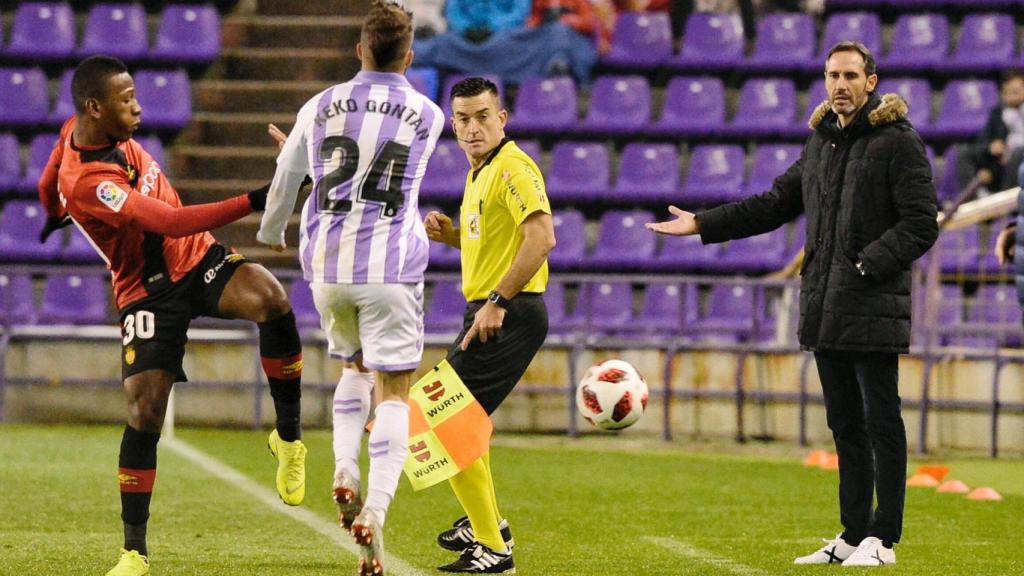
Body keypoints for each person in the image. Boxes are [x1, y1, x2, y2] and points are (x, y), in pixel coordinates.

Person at [647, 41, 938, 567]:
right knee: (844, 424)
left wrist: (870, 263)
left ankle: (883, 539)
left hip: (872, 303)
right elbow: (774, 204)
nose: (840, 85)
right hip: (825, 305)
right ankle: (852, 535)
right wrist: (702, 223)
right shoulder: (821, 145)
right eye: (832, 75)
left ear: (871, 82)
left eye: (851, 75)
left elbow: (921, 222)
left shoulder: (899, 142)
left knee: (881, 422)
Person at [37, 56, 307, 576]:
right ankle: (134, 552)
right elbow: (170, 220)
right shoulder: (93, 180)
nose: (138, 106)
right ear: (96, 107)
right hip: (147, 292)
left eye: (135, 93)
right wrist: (263, 196)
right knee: (144, 414)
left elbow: (49, 176)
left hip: (197, 258)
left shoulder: (75, 128)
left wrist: (51, 210)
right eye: (126, 99)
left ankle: (289, 439)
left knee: (272, 299)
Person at [256, 3, 443, 575]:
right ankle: (377, 512)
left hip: (328, 269)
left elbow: (289, 174)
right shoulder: (429, 114)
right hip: (390, 268)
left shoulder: (319, 106)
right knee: (395, 388)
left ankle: (344, 469)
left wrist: (271, 231)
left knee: (353, 370)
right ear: (408, 56)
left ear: (359, 49)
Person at [423, 77, 555, 574]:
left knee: (442, 418)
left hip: (508, 312)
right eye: (463, 118)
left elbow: (541, 238)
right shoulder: (480, 172)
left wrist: (499, 300)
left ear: (502, 119)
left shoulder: (513, 167)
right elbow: (500, 244)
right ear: (452, 124)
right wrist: (453, 237)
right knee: (455, 420)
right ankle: (488, 527)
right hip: (489, 308)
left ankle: (494, 547)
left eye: (483, 116)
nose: (472, 127)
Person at [970, 70, 1024, 193]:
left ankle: (1005, 207)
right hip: (999, 165)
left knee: (1018, 152)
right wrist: (991, 147)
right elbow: (982, 143)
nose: (1011, 97)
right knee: (962, 152)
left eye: (1015, 92)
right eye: (1006, 93)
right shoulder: (998, 113)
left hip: (1019, 163)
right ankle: (972, 204)